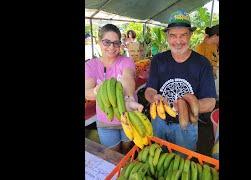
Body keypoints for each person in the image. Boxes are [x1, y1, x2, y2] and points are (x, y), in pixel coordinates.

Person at [144, 9, 217, 152]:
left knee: (181, 164)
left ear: (190, 35)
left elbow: (210, 102)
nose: (178, 41)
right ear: (167, 36)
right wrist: (154, 97)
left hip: (187, 124)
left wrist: (185, 106)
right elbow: (149, 90)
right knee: (157, 160)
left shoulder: (202, 63)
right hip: (158, 121)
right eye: (173, 35)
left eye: (183, 35)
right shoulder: (158, 60)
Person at [85, 24, 144, 154]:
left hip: (128, 115)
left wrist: (128, 98)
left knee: (127, 150)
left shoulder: (126, 61)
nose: (111, 47)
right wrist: (96, 91)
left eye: (116, 43)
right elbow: (87, 92)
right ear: (99, 42)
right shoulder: (90, 66)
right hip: (106, 120)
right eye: (107, 42)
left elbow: (128, 78)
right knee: (113, 154)